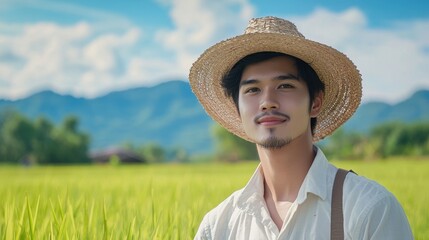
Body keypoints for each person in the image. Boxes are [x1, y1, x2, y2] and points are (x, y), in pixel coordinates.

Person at [189, 16, 413, 239]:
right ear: (238, 108)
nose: (267, 101)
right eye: (252, 90)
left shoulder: (369, 209)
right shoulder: (219, 226)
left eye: (285, 85)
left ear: (315, 102)